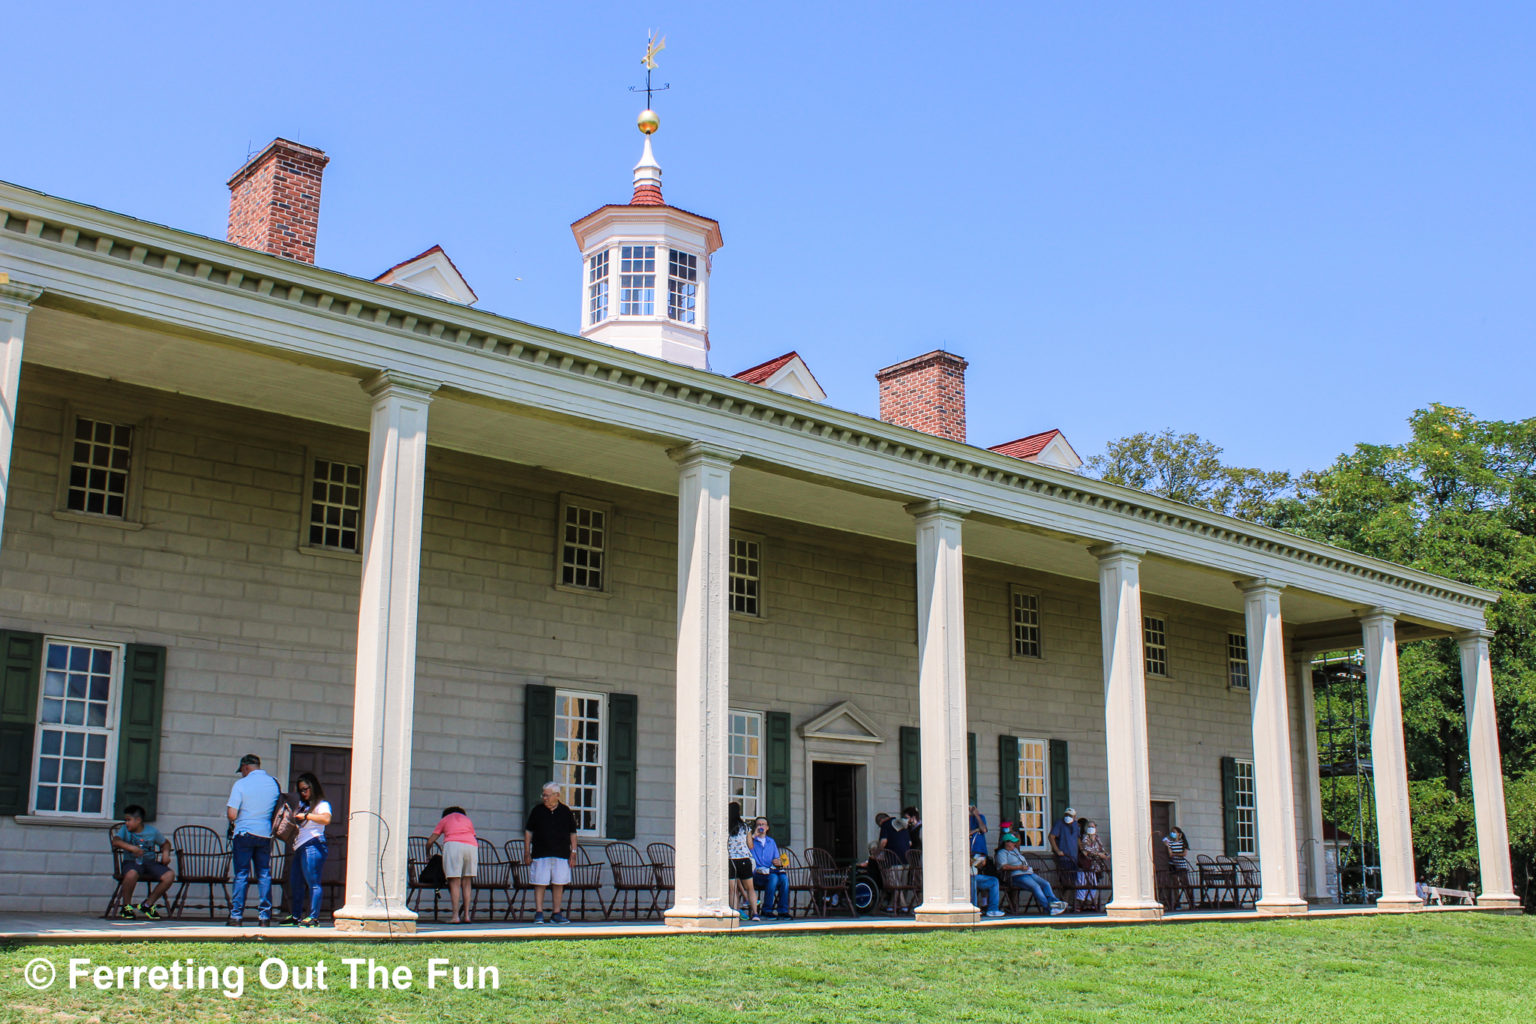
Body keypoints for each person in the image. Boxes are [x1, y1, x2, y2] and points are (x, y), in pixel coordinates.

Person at [226, 753, 282, 926]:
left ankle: (236, 915)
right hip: (265, 834)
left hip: (244, 833)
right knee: (264, 874)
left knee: (242, 874)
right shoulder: (273, 783)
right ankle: (265, 916)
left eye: (242, 770)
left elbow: (232, 814)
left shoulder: (241, 784)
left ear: (245, 767)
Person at [523, 781, 579, 924]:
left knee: (559, 883)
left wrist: (573, 852)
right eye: (543, 795)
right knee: (539, 882)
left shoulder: (566, 811)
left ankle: (556, 913)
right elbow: (529, 831)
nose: (544, 798)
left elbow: (573, 833)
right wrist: (527, 851)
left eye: (547, 795)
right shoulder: (537, 810)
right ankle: (539, 913)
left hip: (561, 853)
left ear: (557, 795)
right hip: (541, 852)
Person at [281, 772, 331, 926]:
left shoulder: (321, 804)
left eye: (306, 789)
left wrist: (307, 816)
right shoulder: (302, 804)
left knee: (313, 882)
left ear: (313, 787)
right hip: (299, 847)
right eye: (301, 790)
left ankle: (314, 917)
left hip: (313, 844)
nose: (303, 793)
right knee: (296, 883)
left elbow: (326, 819)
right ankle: (295, 915)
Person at [111, 804, 175, 920]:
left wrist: (166, 854)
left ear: (138, 820)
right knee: (131, 874)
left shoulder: (152, 831)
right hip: (131, 862)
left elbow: (165, 843)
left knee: (169, 875)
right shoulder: (125, 830)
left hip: (150, 863)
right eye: (125, 820)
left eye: (129, 820)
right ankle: (126, 907)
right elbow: (116, 841)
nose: (126, 823)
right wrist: (131, 848)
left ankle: (147, 905)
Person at [428, 805, 479, 924]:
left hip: (453, 845)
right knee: (467, 882)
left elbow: (431, 840)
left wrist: (427, 852)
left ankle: (455, 916)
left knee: (454, 881)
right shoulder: (467, 820)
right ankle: (466, 915)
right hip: (471, 846)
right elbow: (473, 835)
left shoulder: (445, 819)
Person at [995, 831, 1065, 914]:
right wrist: (1019, 867)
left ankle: (1054, 903)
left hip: (1028, 873)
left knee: (1045, 884)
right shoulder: (1001, 853)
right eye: (1013, 842)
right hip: (1016, 876)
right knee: (1036, 887)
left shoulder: (1015, 851)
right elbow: (1004, 866)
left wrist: (1025, 867)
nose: (1015, 843)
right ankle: (1049, 908)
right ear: (1006, 843)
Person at [749, 816, 789, 920]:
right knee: (774, 878)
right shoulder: (752, 841)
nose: (761, 826)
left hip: (770, 872)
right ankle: (766, 910)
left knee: (784, 879)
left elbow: (776, 858)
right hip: (756, 875)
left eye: (763, 824)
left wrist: (778, 862)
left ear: (767, 828)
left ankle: (783, 911)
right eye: (759, 824)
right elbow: (745, 849)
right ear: (755, 827)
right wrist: (754, 835)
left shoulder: (771, 842)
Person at [728, 801, 756, 921]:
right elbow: (750, 845)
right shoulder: (745, 827)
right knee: (750, 888)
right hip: (744, 859)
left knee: (732, 889)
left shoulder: (726, 826)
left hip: (730, 860)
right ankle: (755, 914)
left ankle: (734, 914)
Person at [1076, 818, 1109, 909]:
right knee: (1082, 884)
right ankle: (1079, 905)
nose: (1091, 828)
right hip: (1085, 865)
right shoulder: (1084, 838)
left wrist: (1105, 854)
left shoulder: (1097, 838)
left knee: (1093, 884)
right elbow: (1086, 849)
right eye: (1089, 827)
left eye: (1093, 827)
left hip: (1095, 867)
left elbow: (1101, 848)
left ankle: (1089, 903)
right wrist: (1099, 854)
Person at [1048, 806, 1080, 893]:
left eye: (1070, 815)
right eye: (1066, 815)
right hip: (1064, 857)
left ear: (1074, 817)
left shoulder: (1076, 825)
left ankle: (1069, 902)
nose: (1068, 817)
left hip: (1073, 857)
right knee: (1065, 881)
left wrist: (1082, 850)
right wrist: (1057, 850)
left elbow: (1078, 839)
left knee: (1073, 881)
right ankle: (1064, 901)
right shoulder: (1059, 823)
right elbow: (1051, 837)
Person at [1161, 825, 1192, 910]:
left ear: (1179, 834)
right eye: (1172, 832)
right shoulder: (1171, 843)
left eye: (1174, 832)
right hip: (1173, 865)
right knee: (1175, 885)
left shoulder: (1183, 843)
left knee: (1185, 884)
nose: (1173, 834)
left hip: (1181, 866)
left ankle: (1191, 902)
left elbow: (1184, 854)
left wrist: (1175, 854)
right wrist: (1167, 845)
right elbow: (1170, 854)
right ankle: (1176, 903)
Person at [971, 851, 1005, 918]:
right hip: (966, 878)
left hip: (976, 875)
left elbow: (977, 866)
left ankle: (993, 910)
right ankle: (973, 909)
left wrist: (980, 862)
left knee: (993, 880)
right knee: (972, 880)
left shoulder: (974, 851)